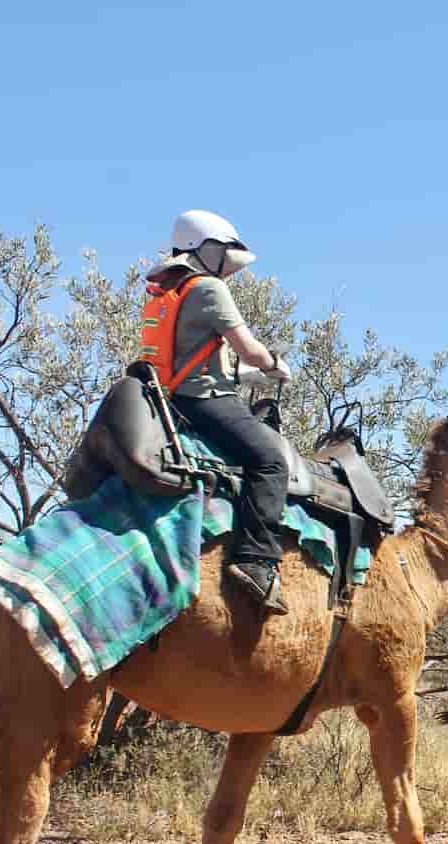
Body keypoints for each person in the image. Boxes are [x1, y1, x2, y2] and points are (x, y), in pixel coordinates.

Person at [139, 210, 294, 614]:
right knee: (272, 459)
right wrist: (272, 363)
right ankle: (256, 561)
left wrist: (247, 377)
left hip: (174, 401)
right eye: (224, 256)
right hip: (206, 404)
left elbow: (199, 361)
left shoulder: (169, 289)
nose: (229, 269)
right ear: (205, 249)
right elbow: (249, 349)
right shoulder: (208, 288)